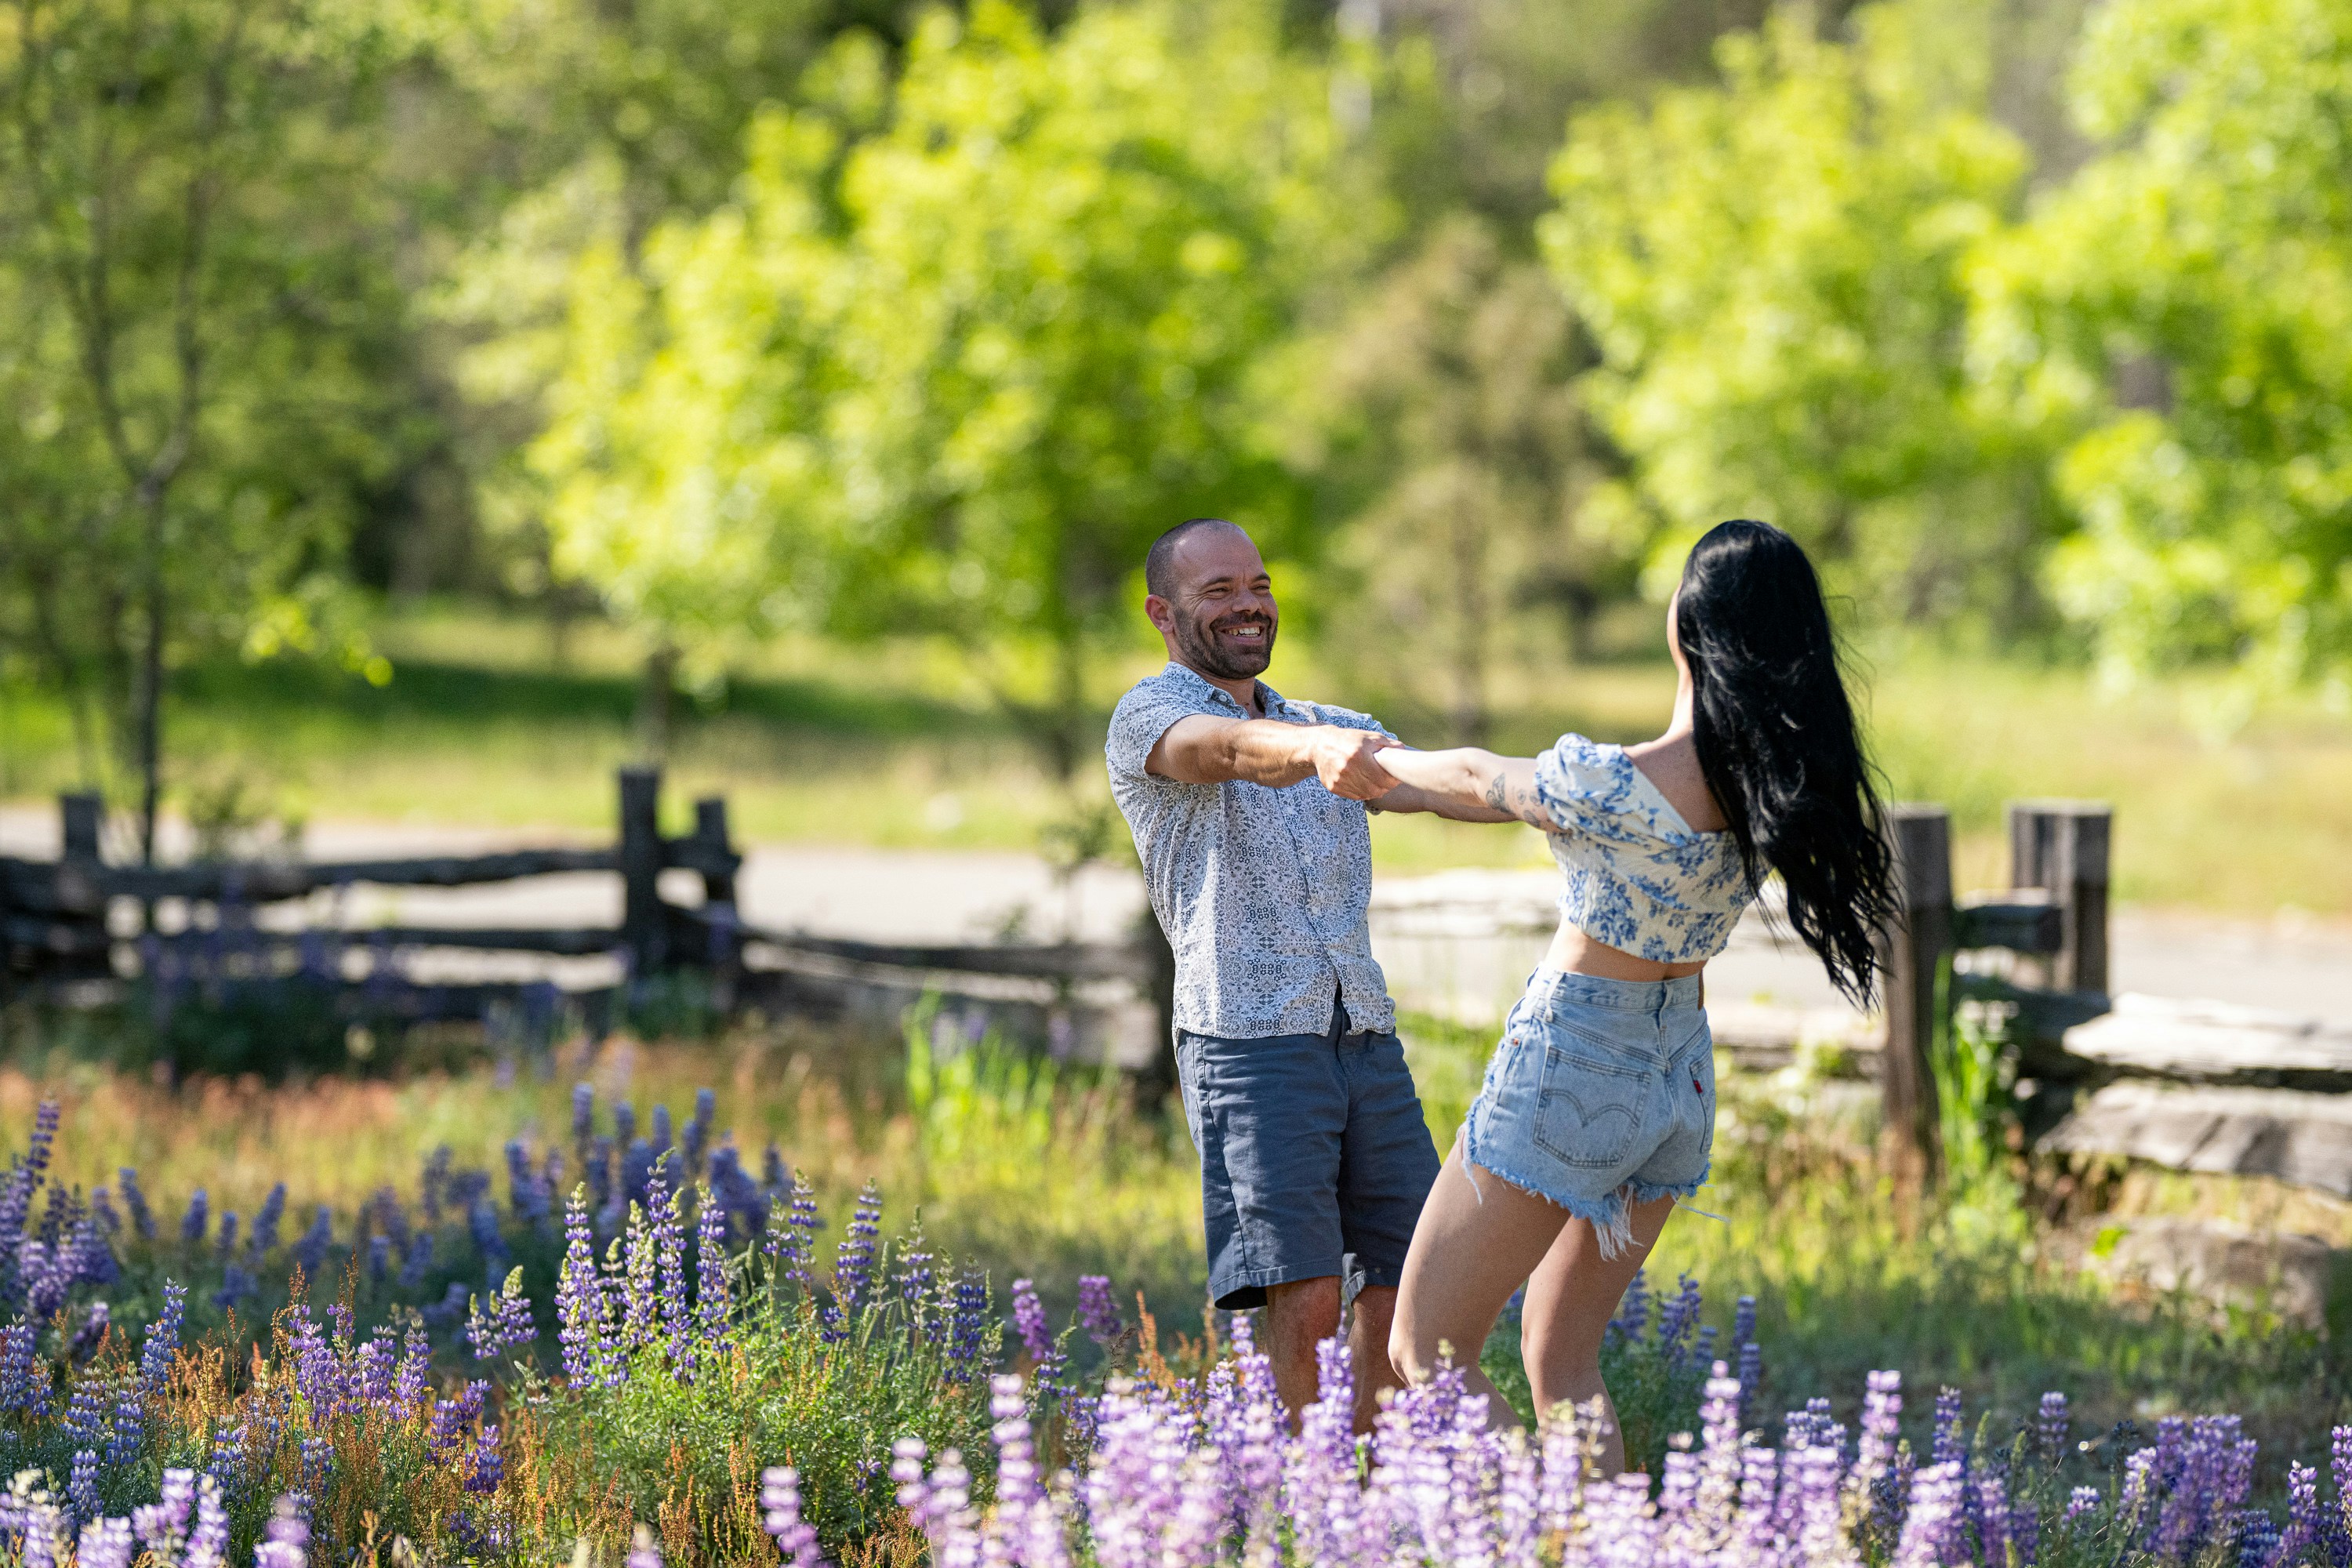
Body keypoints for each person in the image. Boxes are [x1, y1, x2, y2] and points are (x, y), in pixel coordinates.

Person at [1368, 518, 1895, 1470]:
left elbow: (1481, 779)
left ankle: (1543, 1533)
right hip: (1679, 1081)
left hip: (1574, 1061)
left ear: (1687, 623)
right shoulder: (1777, 791)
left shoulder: (1615, 783)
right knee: (1562, 1358)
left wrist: (1366, 762)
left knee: (1425, 1348)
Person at [1104, 516, 1513, 1431]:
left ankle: (1364, 1480)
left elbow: (1443, 779)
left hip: (1362, 1035)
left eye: (1258, 583)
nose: (1249, 604)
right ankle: (1303, 1489)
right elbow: (1225, 751)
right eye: (1219, 591)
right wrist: (1310, 750)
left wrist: (1567, 789)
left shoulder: (1334, 728)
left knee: (1406, 1273)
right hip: (1248, 1042)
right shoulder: (1150, 715)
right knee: (1307, 1283)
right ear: (1163, 614)